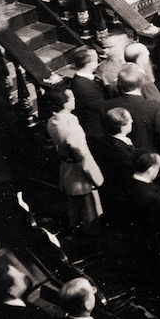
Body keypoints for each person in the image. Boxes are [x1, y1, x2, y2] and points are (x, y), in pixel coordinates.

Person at [43, 87, 104, 231]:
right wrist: (96, 178)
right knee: (90, 213)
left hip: (66, 169)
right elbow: (83, 156)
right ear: (64, 104)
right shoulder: (71, 127)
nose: (74, 100)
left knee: (75, 209)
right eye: (71, 98)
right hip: (79, 174)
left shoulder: (52, 121)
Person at [103, 64, 160, 168]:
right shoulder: (155, 107)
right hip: (148, 162)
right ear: (141, 84)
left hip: (120, 162)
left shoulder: (106, 105)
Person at [68, 45, 106, 140]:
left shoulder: (83, 78)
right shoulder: (84, 86)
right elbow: (102, 106)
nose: (98, 61)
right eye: (96, 59)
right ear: (89, 64)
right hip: (96, 130)